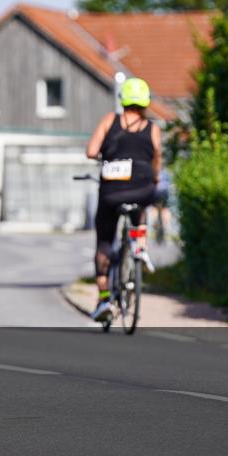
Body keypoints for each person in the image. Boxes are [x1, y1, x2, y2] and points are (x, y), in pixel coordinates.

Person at [84, 77, 161, 321]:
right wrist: (154, 179)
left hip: (111, 192)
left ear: (123, 100)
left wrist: (105, 158)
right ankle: (140, 246)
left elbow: (91, 151)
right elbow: (156, 157)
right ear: (146, 102)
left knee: (105, 241)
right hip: (141, 189)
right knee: (141, 208)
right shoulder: (153, 128)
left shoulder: (110, 121)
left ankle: (105, 298)